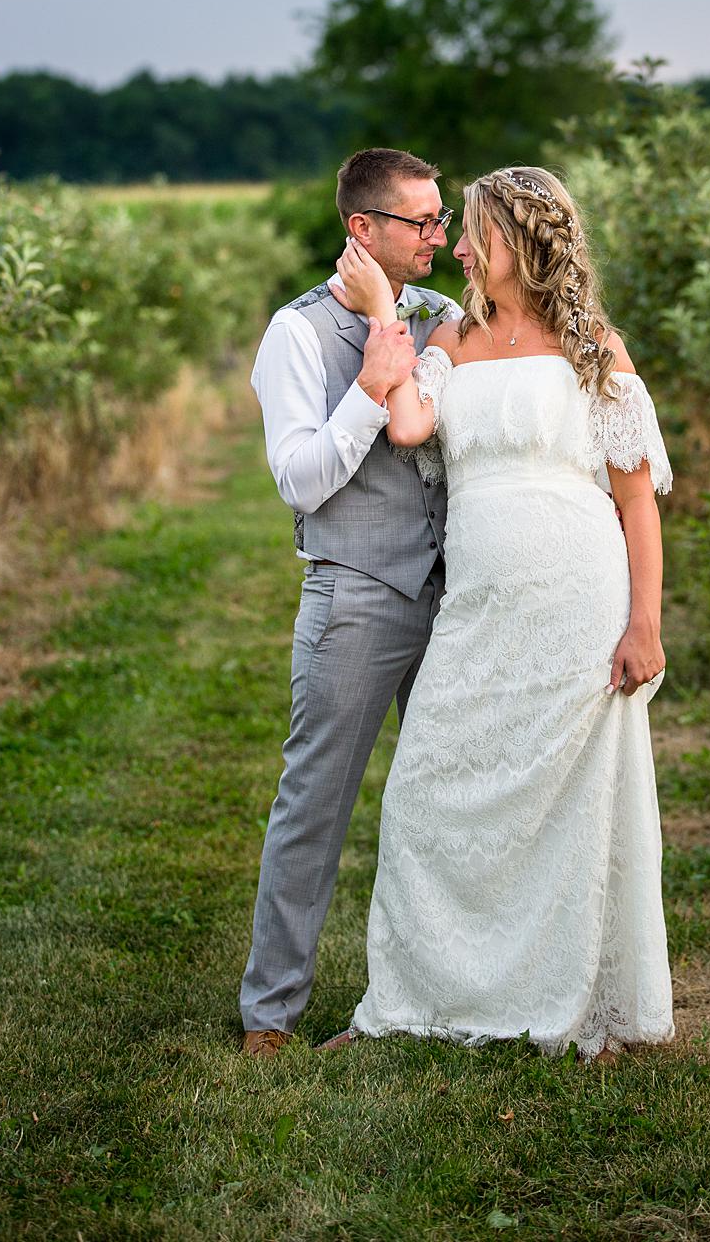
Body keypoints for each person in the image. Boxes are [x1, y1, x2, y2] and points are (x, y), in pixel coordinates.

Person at [329, 165, 675, 1061]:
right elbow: (407, 425)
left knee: (569, 805)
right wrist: (378, 311)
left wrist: (645, 623)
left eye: (477, 230)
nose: (463, 246)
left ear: (522, 242)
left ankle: (563, 995)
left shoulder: (596, 345)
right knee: (425, 793)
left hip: (579, 593)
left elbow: (638, 501)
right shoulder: (452, 334)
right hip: (480, 600)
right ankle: (414, 998)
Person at [238, 147, 461, 1056]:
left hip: (457, 593)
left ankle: (441, 996)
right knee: (316, 803)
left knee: (450, 802)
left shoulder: (445, 316)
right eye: (424, 222)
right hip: (357, 592)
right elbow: (300, 481)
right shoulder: (295, 336)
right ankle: (271, 1012)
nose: (440, 237)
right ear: (361, 230)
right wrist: (370, 389)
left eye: (442, 219)